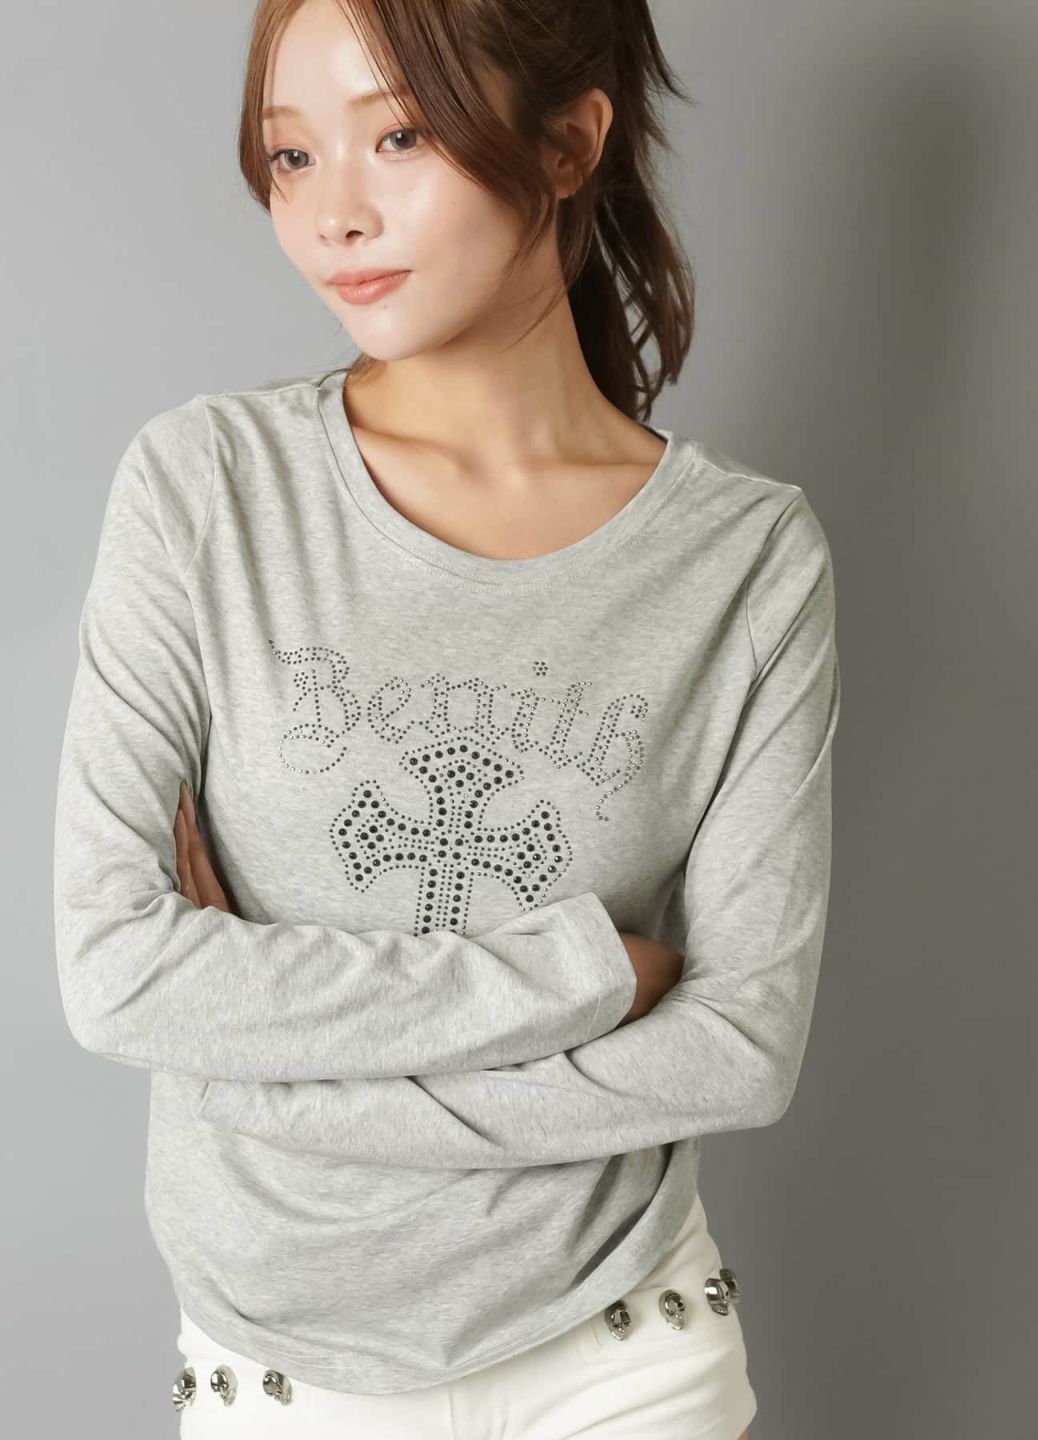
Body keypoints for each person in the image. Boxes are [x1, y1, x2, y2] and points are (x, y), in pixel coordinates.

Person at [52, 0, 841, 1435]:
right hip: (279, 1371)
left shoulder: (743, 560)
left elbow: (739, 1045)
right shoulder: (208, 491)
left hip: (624, 1356)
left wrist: (273, 1085)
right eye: (292, 156)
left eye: (400, 137)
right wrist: (579, 973)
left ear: (568, 142)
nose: (333, 215)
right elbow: (115, 968)